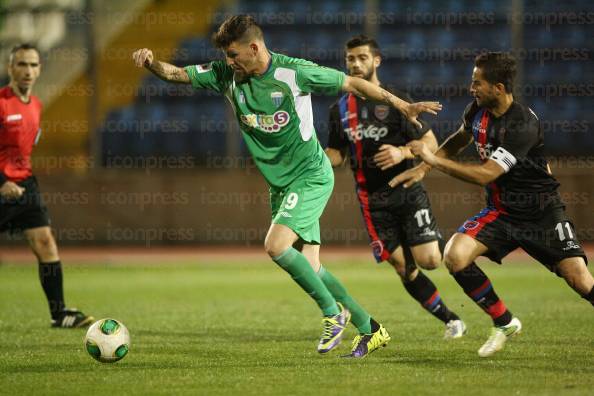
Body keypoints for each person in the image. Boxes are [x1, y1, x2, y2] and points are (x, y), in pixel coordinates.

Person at [132, 15, 441, 357]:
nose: (228, 62)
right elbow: (177, 74)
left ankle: (332, 313)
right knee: (311, 267)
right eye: (225, 56)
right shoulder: (226, 76)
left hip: (310, 175)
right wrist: (150, 62)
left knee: (276, 245)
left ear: (254, 47)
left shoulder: (293, 72)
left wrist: (401, 104)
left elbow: (354, 85)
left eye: (233, 55)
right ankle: (371, 328)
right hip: (280, 184)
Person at [392, 52, 593, 357]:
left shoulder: (522, 124)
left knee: (579, 280)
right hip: (501, 212)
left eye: (477, 83)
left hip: (542, 214)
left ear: (499, 87)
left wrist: (430, 157)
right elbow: (460, 140)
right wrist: (423, 169)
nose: (471, 88)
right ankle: (505, 321)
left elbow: (487, 174)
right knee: (455, 255)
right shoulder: (477, 111)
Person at [325, 35, 466, 339]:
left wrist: (403, 152)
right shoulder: (339, 110)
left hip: (407, 191)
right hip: (372, 201)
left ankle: (452, 248)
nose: (355, 63)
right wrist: (314, 157)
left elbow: (429, 142)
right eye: (350, 59)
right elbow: (337, 154)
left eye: (362, 57)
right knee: (405, 268)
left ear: (377, 61)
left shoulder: (397, 100)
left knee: (430, 261)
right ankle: (451, 319)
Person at [0, 44, 93, 328]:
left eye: (33, 65)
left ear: (40, 69)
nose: (27, 71)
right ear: (10, 68)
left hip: (26, 185)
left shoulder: (37, 105)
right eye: (21, 65)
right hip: (3, 187)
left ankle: (59, 313)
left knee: (45, 242)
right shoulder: (1, 102)